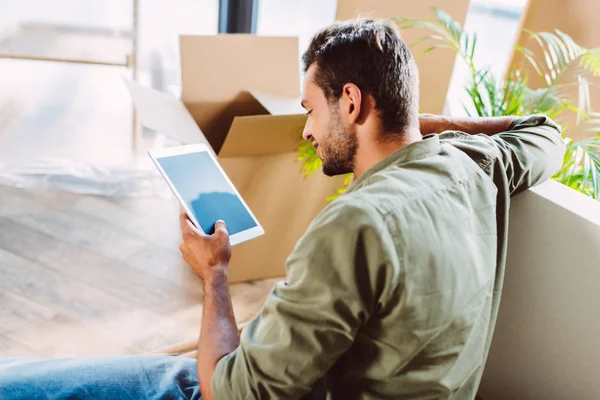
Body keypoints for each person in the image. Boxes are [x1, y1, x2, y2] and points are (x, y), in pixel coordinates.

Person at [0, 18, 565, 400]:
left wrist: (214, 273)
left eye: (310, 108)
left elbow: (232, 392)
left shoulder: (355, 226)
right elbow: (547, 134)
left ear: (350, 102)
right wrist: (417, 126)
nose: (306, 128)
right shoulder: (475, 167)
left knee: (164, 378)